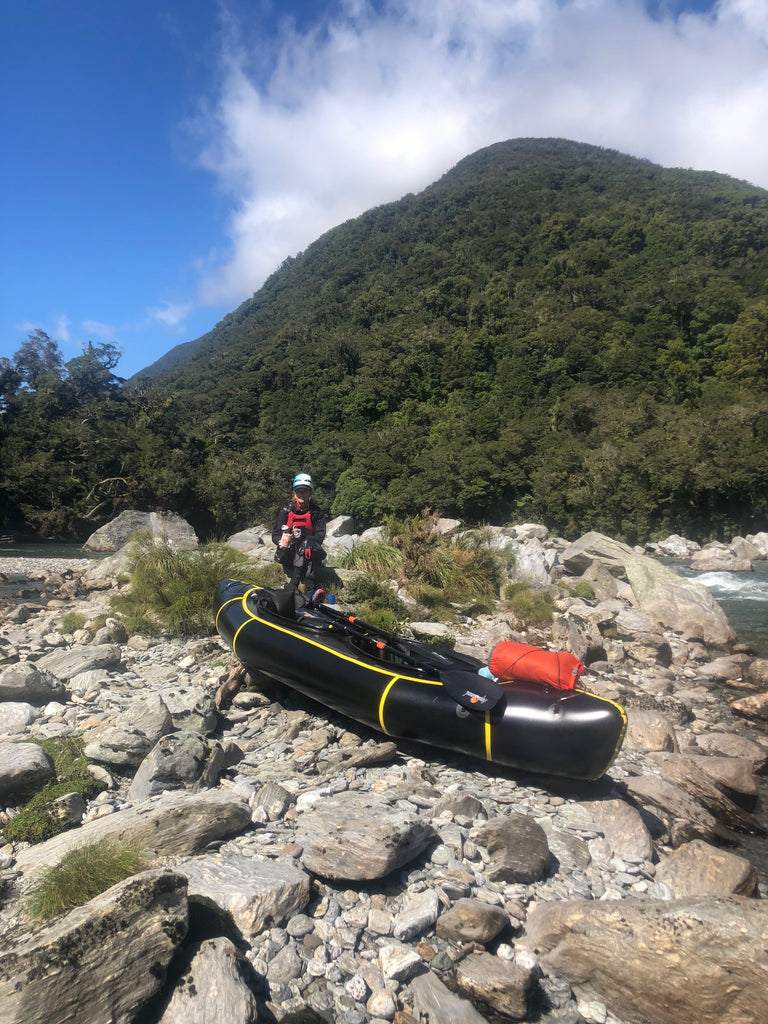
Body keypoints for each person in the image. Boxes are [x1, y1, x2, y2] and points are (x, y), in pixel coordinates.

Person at [272, 472, 328, 596]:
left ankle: (305, 586)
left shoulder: (317, 513)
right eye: (299, 491)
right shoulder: (285, 511)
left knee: (307, 545)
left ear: (310, 493)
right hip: (288, 552)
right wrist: (280, 542)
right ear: (294, 492)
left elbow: (319, 537)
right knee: (298, 545)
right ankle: (299, 585)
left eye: (305, 491)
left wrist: (302, 536)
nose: (302, 494)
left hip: (308, 552)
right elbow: (275, 534)